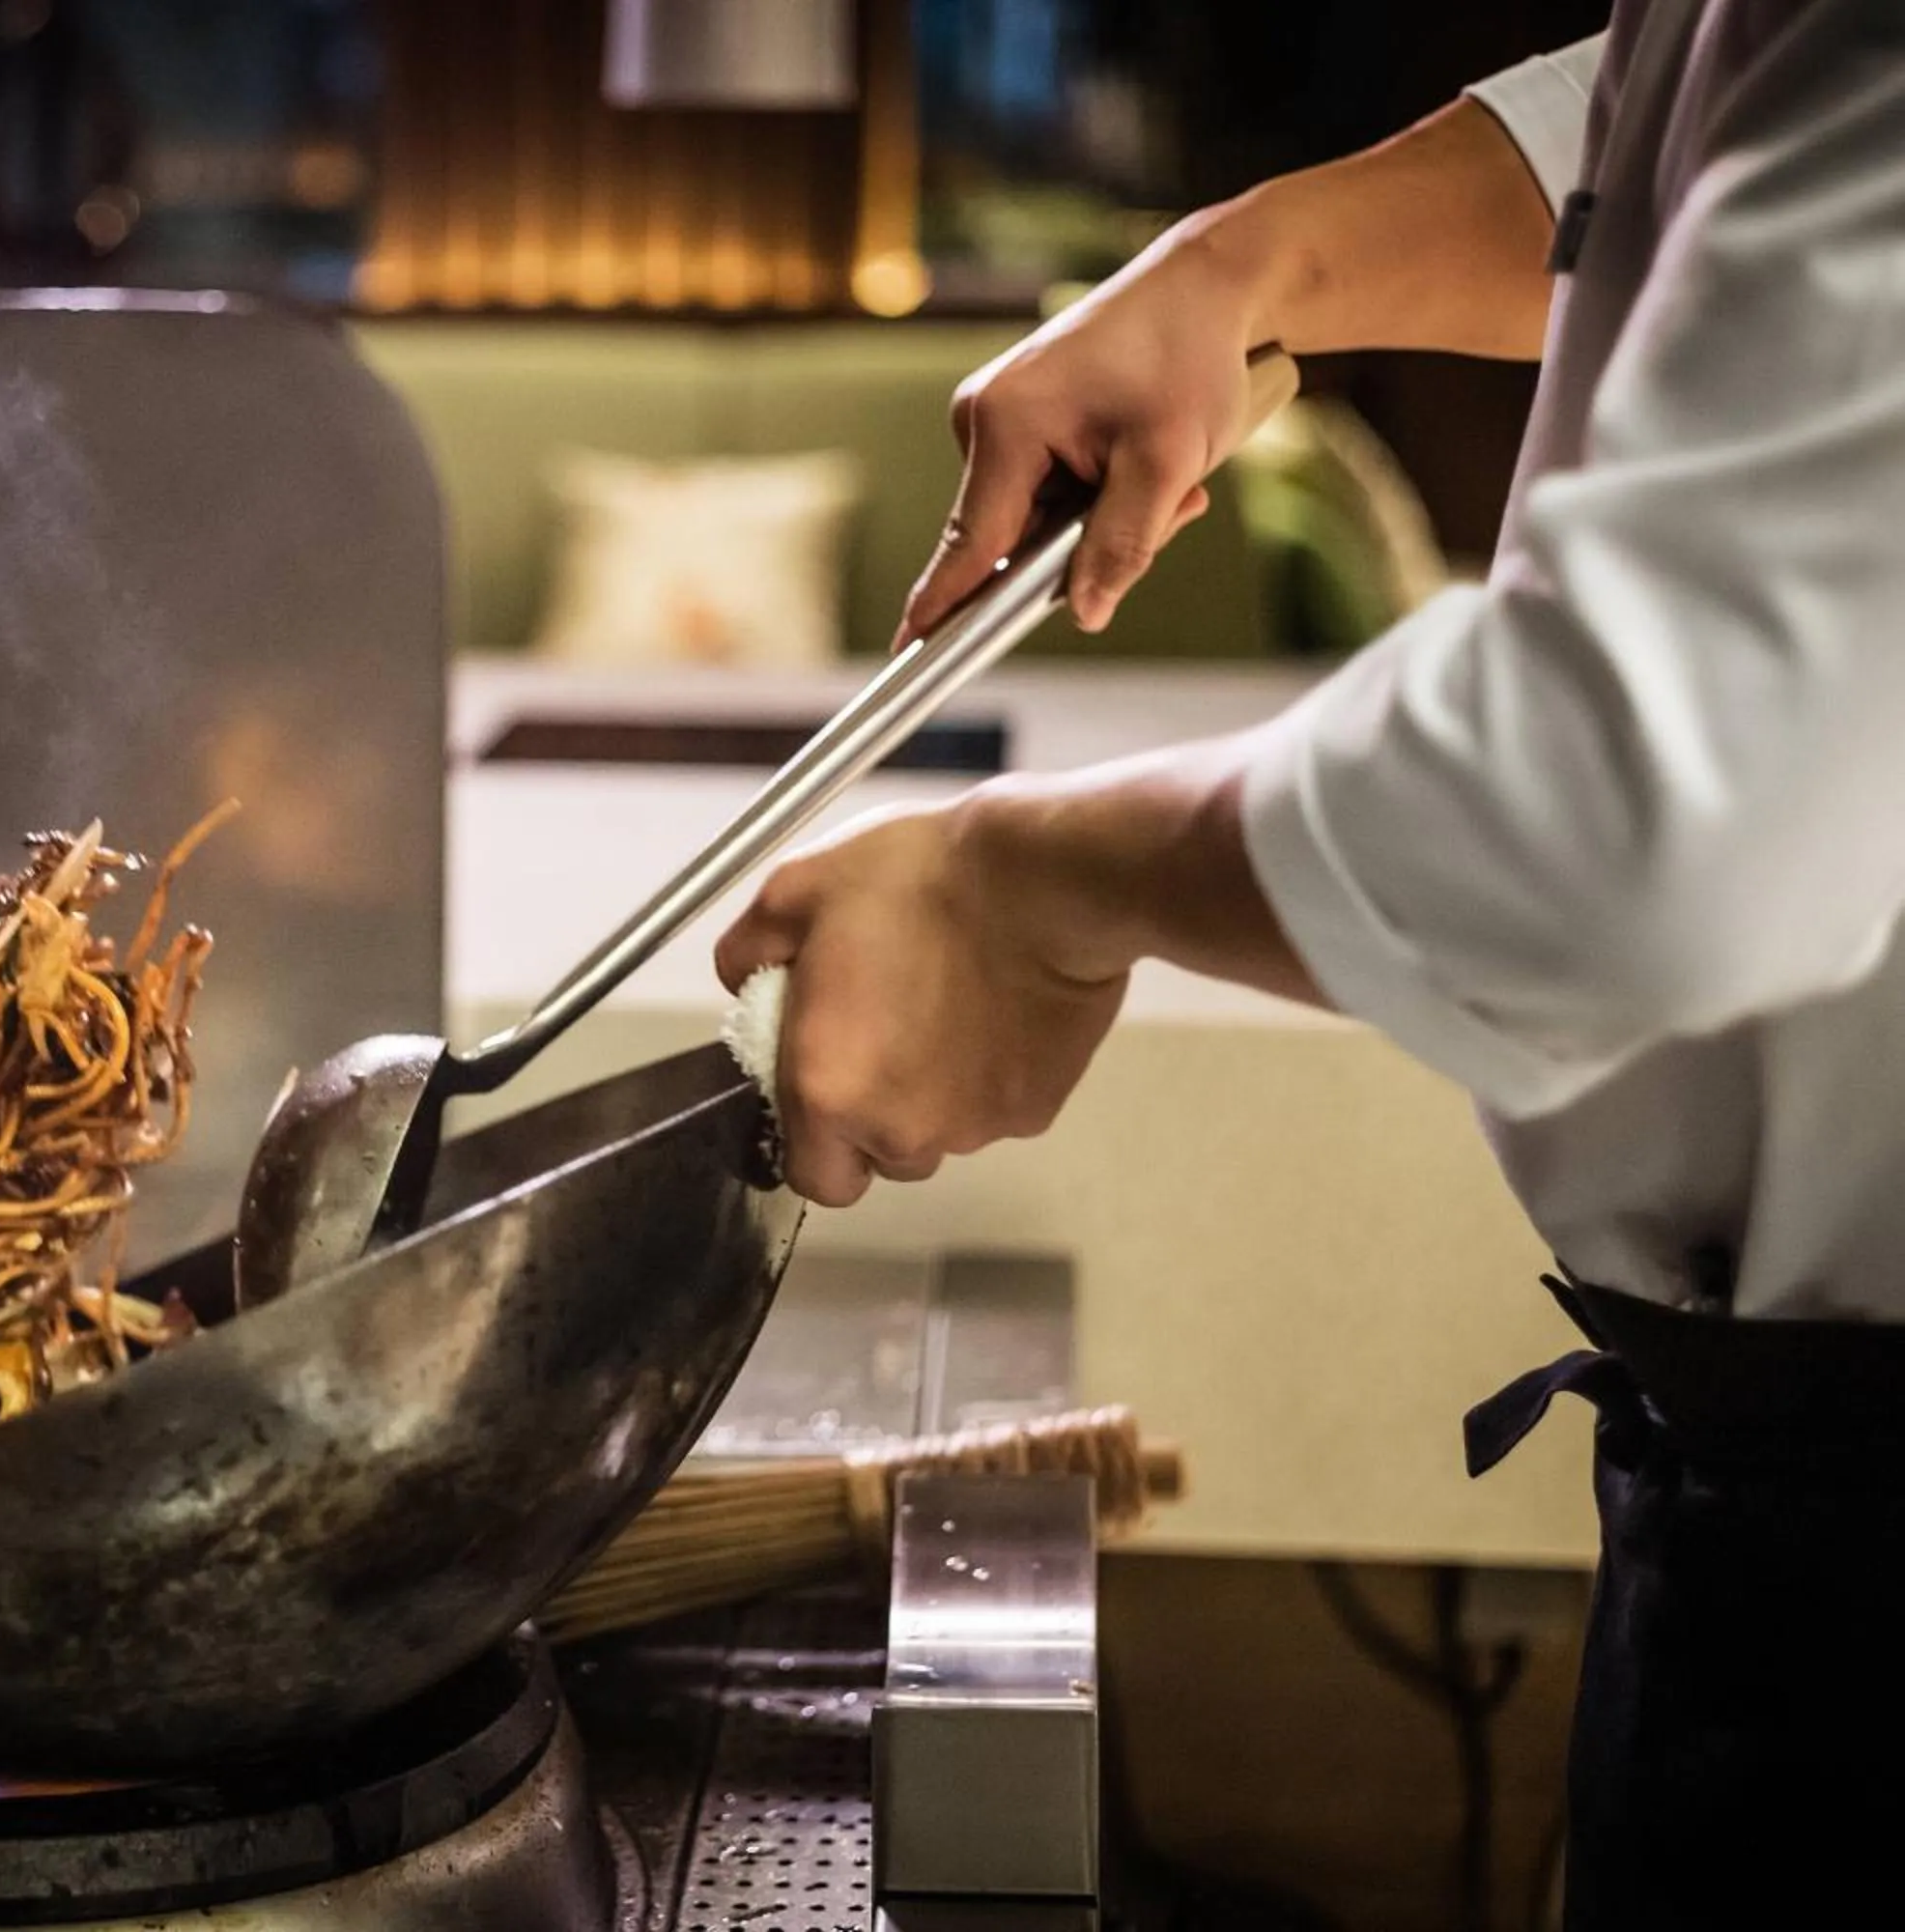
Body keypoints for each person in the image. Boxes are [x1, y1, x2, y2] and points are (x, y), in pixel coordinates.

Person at [712, 6, 1905, 1924]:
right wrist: (1257, 260)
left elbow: (1651, 806)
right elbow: (1693, 119)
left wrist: (1037, 884)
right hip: (1767, 1472)